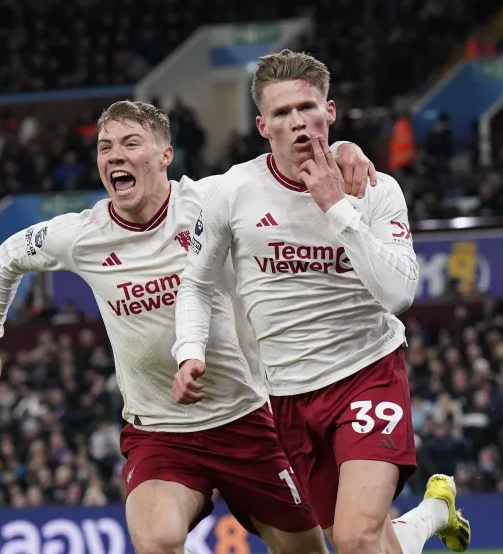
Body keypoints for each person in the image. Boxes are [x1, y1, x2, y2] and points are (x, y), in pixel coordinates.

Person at [0, 99, 375, 554]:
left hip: (248, 419)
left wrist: (344, 149)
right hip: (160, 432)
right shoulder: (82, 236)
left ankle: (431, 514)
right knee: (157, 540)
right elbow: (8, 257)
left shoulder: (212, 200)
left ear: (166, 155)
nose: (114, 155)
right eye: (105, 148)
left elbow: (283, 170)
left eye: (130, 143)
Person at [173, 49, 471, 554]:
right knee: (360, 539)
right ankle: (433, 514)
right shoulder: (231, 192)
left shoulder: (374, 190)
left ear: (329, 112)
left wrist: (338, 208)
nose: (298, 123)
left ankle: (427, 515)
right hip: (288, 393)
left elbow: (400, 294)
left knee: (355, 536)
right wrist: (188, 348)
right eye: (282, 114)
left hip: (367, 371)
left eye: (307, 107)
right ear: (263, 126)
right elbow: (197, 283)